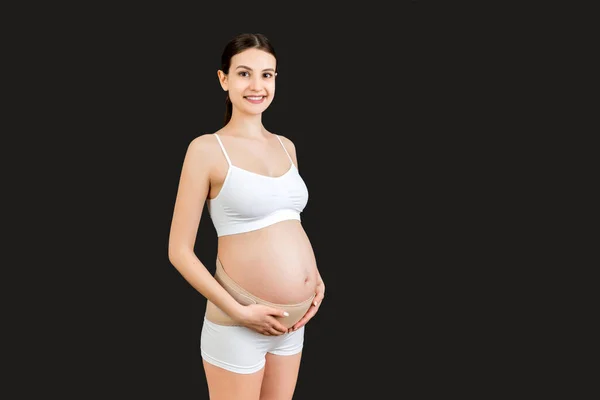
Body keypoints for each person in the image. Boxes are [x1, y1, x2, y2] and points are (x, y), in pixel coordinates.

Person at [167, 32, 326, 400]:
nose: (257, 86)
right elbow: (178, 250)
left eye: (267, 75)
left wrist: (314, 279)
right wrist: (240, 312)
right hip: (237, 324)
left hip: (291, 325)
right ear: (223, 79)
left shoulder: (286, 146)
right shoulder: (206, 149)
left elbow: (289, 221)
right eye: (244, 74)